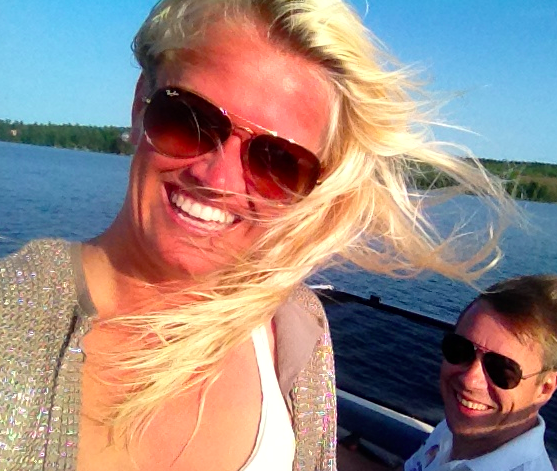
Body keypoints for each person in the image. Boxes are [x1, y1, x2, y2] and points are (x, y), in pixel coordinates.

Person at [0, 1, 514, 470]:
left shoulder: (297, 327)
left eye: (278, 161)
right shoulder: (15, 323)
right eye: (189, 119)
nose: (218, 179)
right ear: (140, 106)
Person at [405, 274, 557, 471]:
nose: (470, 380)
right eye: (460, 349)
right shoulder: (456, 426)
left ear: (545, 388)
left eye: (502, 369)